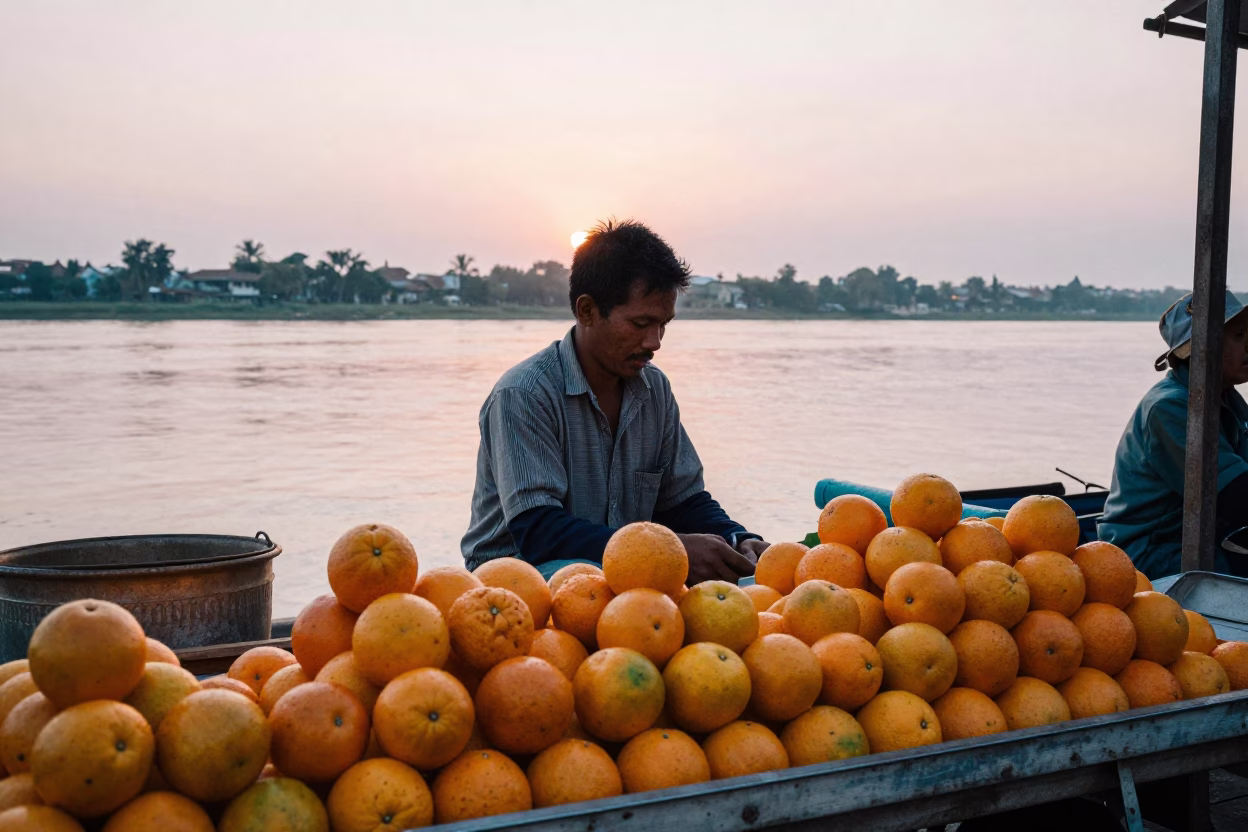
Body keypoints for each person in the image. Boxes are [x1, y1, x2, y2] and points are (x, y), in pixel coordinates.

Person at [461, 219, 769, 583]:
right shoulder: (523, 394)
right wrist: (665, 551)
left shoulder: (655, 391)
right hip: (517, 579)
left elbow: (683, 502)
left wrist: (739, 538)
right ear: (587, 311)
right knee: (604, 577)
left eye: (664, 325)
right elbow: (538, 531)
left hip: (619, 570)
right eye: (641, 324)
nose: (655, 342)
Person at [1099, 291, 1248, 578]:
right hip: (1148, 554)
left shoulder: (1226, 399)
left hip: (1197, 538)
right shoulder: (1171, 407)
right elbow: (1236, 495)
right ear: (1200, 349)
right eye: (1239, 336)